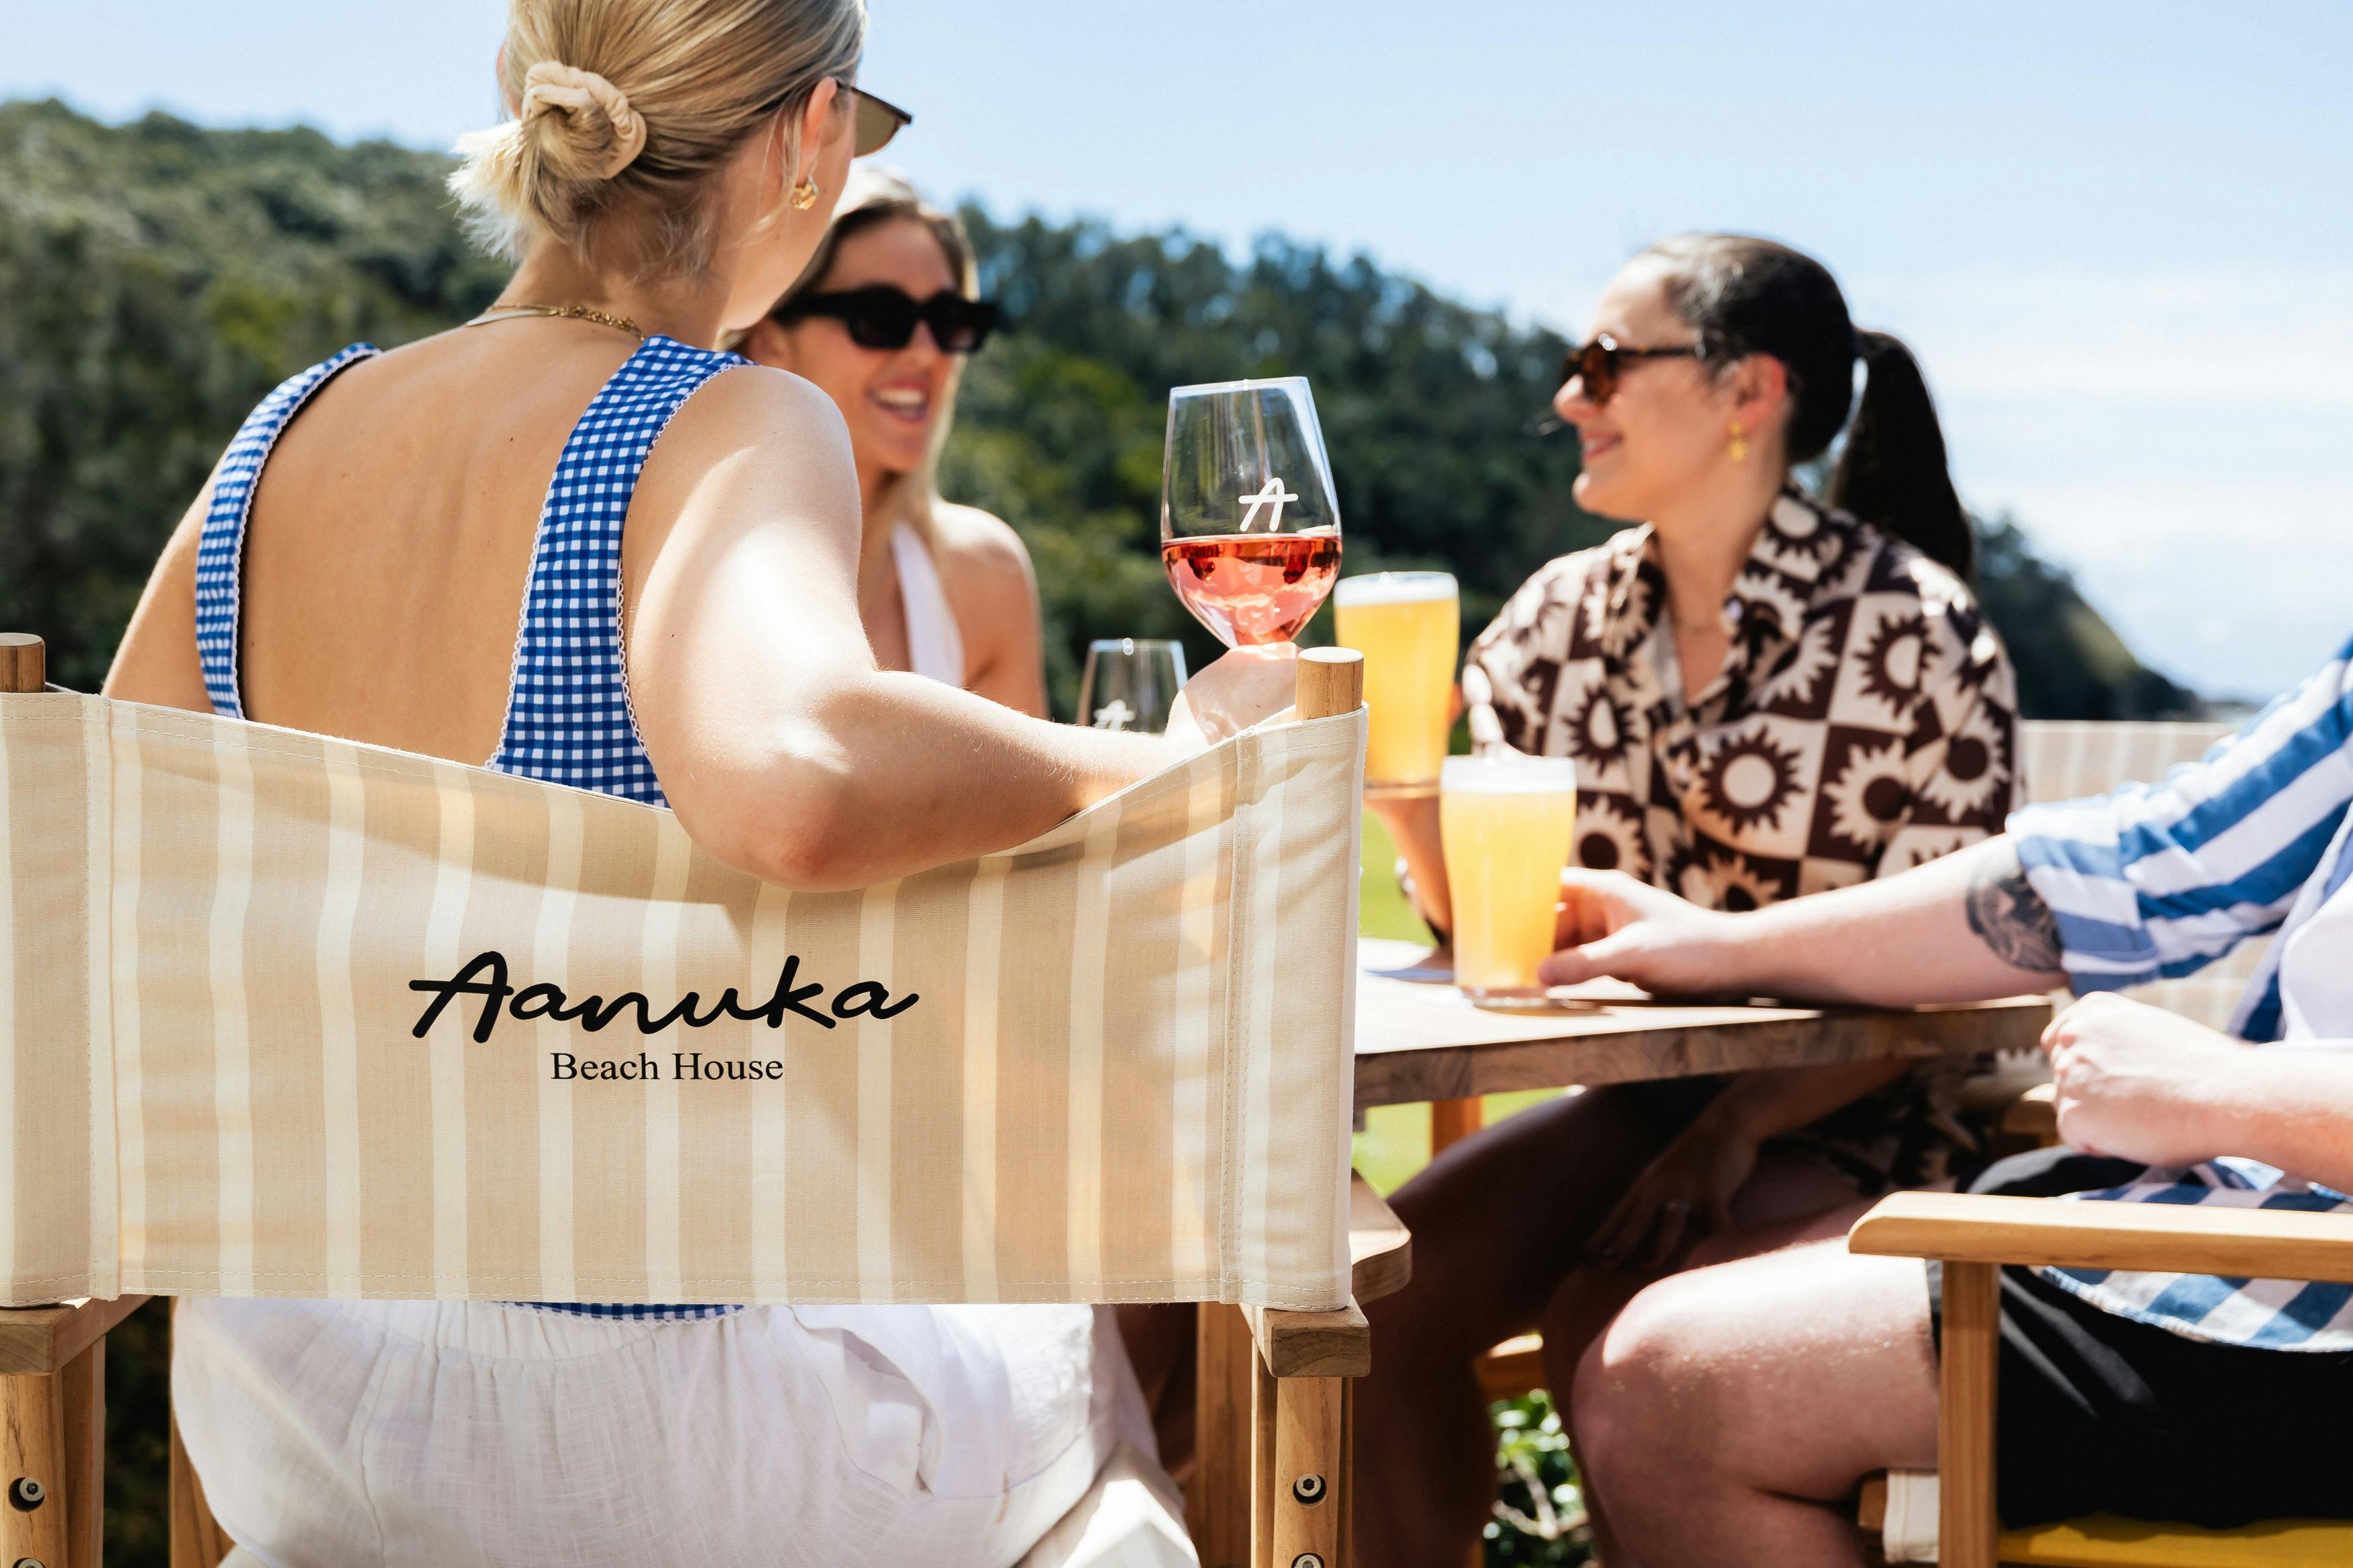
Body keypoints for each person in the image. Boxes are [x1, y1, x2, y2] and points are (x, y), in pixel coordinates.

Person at [99, 3, 1291, 1563]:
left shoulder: (279, 434)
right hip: (642, 1436)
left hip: (298, 1404)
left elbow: (113, 860)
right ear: (810, 135)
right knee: (1093, 1398)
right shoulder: (718, 414)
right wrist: (1173, 762)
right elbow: (791, 775)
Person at [1355, 235, 2024, 1565]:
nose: (1567, 396)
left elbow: (1952, 969)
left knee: (1611, 1310)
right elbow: (1492, 919)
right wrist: (1399, 786)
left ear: (1745, 393)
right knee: (1374, 1307)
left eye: (1604, 362)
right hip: (1641, 1100)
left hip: (1873, 1117)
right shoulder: (1562, 618)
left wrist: (1732, 1130)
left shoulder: (1913, 635)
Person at [1551, 635, 2353, 1565]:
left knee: (1662, 1388)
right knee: (1665, 1280)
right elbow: (2139, 864)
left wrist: (2224, 1091)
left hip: (2314, 1283)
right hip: (2250, 1204)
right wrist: (1721, 945)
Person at [737, 168, 1047, 713]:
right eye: (881, 317)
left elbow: (1046, 802)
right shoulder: (685, 563)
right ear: (769, 340)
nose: (927, 353)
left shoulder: (982, 577)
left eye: (949, 320)